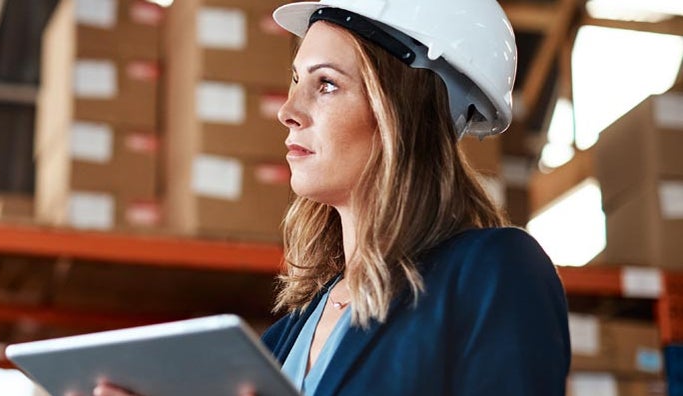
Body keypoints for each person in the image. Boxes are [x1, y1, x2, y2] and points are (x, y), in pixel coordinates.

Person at [94, 0, 571, 395]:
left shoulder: (494, 271)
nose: (288, 110)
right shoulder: (290, 333)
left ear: (402, 112)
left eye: (326, 84)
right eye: (296, 81)